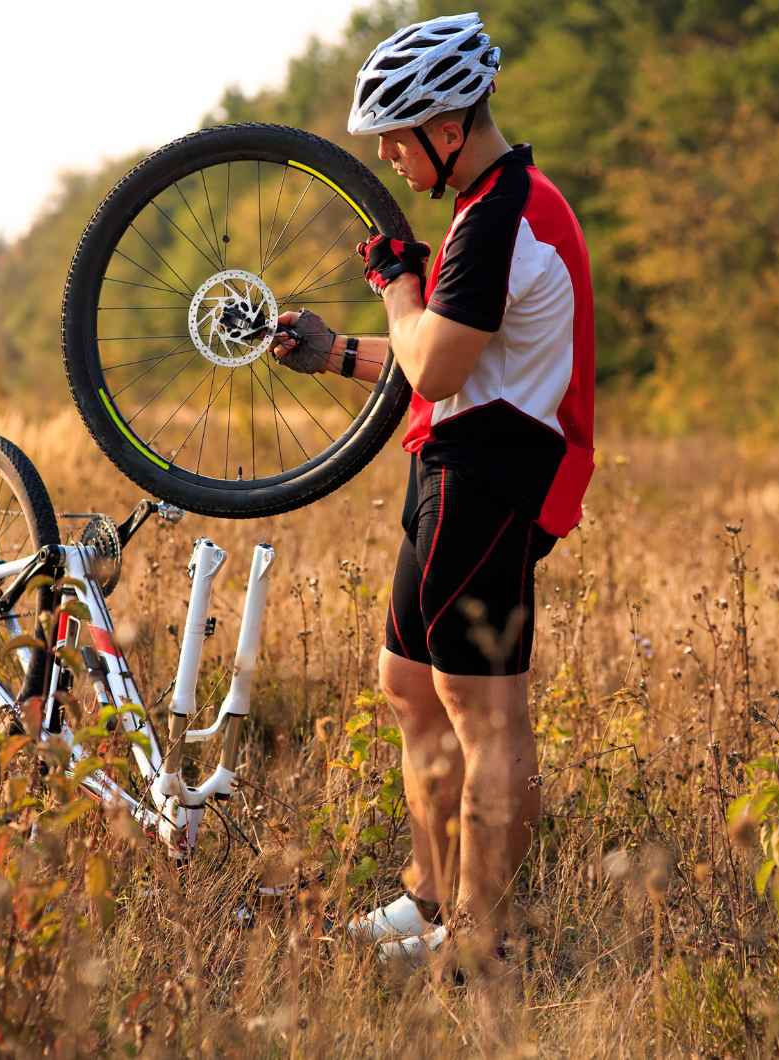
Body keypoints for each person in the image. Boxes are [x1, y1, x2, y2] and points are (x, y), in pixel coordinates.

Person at [268, 11, 595, 966]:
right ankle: (428, 893)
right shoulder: (492, 204)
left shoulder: (501, 215)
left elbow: (442, 361)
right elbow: (448, 355)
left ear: (448, 131)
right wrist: (339, 355)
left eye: (396, 135)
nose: (385, 153)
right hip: (453, 463)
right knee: (410, 685)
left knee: (482, 710)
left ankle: (478, 940)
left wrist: (395, 284)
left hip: (491, 475)